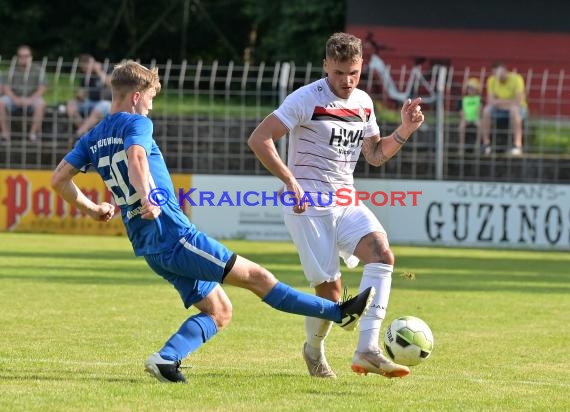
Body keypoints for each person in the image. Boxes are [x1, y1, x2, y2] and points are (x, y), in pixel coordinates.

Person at [50, 60, 375, 384]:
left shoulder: (92, 137)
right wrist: (147, 196)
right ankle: (339, 313)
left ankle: (166, 359)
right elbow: (136, 157)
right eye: (150, 99)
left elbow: (59, 179)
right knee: (258, 278)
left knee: (219, 310)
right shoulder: (136, 123)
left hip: (147, 245)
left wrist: (93, 209)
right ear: (136, 96)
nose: (151, 107)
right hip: (174, 235)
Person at [248, 32, 424, 379]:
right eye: (340, 72)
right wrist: (290, 181)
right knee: (331, 292)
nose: (347, 81)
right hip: (308, 204)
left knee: (382, 254)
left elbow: (374, 155)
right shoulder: (305, 99)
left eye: (354, 73)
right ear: (326, 65)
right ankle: (313, 351)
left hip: (345, 199)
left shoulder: (363, 102)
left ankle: (368, 349)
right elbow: (259, 138)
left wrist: (404, 129)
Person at [0, 45, 47, 142]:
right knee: (1, 102)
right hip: (14, 98)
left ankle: (32, 134)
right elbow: (6, 87)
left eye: (26, 56)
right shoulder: (12, 69)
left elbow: (43, 88)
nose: (24, 59)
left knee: (41, 104)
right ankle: (5, 133)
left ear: (31, 57)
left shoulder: (38, 70)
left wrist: (30, 99)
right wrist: (15, 99)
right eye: (21, 56)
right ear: (17, 57)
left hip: (32, 98)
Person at [481, 62, 528, 156]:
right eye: (495, 74)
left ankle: (517, 145)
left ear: (505, 71)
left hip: (518, 108)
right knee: (486, 111)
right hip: (500, 108)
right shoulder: (492, 80)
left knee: (514, 111)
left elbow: (518, 101)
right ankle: (486, 144)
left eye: (499, 74)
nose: (497, 77)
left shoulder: (517, 79)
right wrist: (506, 102)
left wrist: (499, 101)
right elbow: (490, 101)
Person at [65, 54, 112, 148]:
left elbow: (110, 84)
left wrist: (99, 71)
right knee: (71, 105)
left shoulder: (107, 69)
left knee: (101, 107)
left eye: (86, 66)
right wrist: (78, 97)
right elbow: (81, 93)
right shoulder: (86, 76)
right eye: (83, 67)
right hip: (90, 102)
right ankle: (85, 132)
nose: (85, 69)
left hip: (106, 103)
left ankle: (79, 134)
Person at [457, 77, 482, 154]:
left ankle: (477, 145)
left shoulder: (479, 99)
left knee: (480, 125)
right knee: (461, 127)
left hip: (476, 118)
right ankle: (461, 146)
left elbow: (480, 109)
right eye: (469, 88)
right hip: (466, 118)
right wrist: (464, 117)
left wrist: (478, 115)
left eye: (473, 88)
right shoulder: (462, 99)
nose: (471, 90)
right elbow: (460, 111)